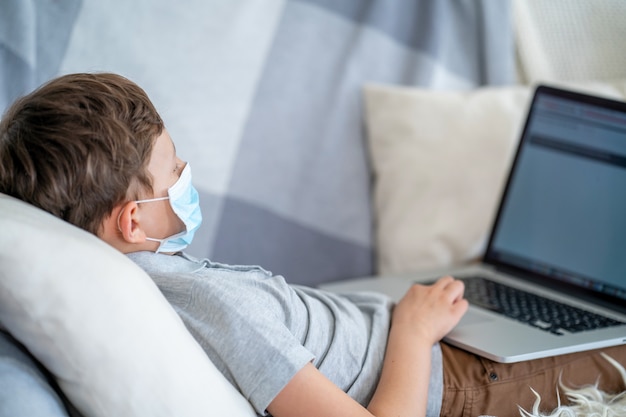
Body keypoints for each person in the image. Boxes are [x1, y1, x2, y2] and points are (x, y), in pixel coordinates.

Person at [1, 72, 624, 417]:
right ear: (133, 222)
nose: (188, 173)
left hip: (424, 336)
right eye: (174, 170)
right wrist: (411, 327)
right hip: (457, 375)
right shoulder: (212, 306)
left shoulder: (154, 279)